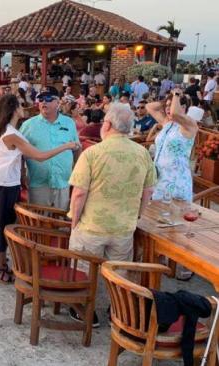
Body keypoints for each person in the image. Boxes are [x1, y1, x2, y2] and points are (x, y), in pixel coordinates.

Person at [68, 103, 156, 325]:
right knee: (119, 272)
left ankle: (83, 310)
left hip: (92, 225)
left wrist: (74, 222)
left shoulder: (93, 153)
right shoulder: (142, 153)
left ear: (106, 124)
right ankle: (117, 309)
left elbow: (79, 193)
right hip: (123, 226)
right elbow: (148, 190)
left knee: (83, 269)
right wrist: (138, 215)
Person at [0, 94, 78, 283]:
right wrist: (66, 146)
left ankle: (0, 264)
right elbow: (38, 156)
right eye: (21, 105)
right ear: (14, 110)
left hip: (1, 184)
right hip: (1, 186)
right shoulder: (11, 134)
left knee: (2, 224)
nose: (25, 107)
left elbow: (9, 159)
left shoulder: (4, 129)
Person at [19, 90, 80, 210]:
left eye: (48, 99)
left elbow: (76, 147)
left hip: (62, 182)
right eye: (40, 99)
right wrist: (21, 174)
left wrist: (76, 171)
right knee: (38, 221)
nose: (43, 102)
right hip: (38, 182)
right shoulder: (28, 125)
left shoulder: (69, 123)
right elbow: (19, 153)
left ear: (58, 102)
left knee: (60, 222)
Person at [146, 89, 198, 202]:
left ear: (183, 107)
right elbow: (149, 106)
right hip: (159, 178)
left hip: (176, 180)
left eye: (171, 105)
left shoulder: (190, 124)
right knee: (156, 216)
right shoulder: (167, 122)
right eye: (167, 106)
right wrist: (169, 98)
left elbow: (175, 113)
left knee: (173, 216)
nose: (168, 108)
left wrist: (177, 95)